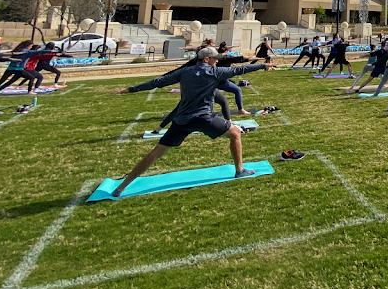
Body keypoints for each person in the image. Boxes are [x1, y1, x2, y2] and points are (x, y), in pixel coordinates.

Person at [111, 47, 275, 197]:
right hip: (203, 118)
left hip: (181, 120)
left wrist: (131, 89)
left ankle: (121, 187)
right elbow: (240, 69)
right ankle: (240, 170)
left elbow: (157, 82)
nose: (217, 60)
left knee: (155, 153)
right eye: (214, 58)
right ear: (206, 59)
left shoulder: (185, 72)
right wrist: (262, 66)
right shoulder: (214, 72)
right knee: (235, 132)